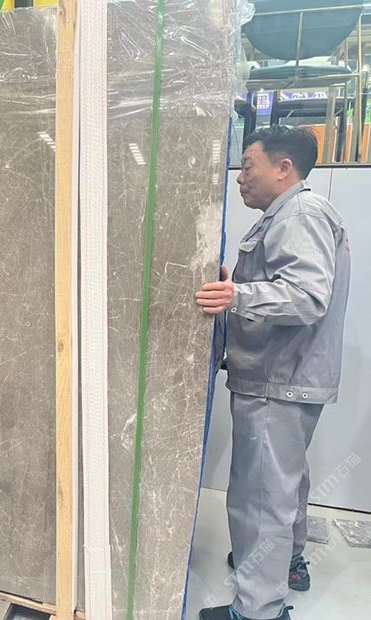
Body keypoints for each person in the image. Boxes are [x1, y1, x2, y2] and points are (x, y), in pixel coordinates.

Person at [195, 126, 350, 620]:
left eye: (248, 166)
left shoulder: (300, 214)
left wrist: (237, 295)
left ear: (284, 168)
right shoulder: (293, 214)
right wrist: (239, 285)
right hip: (289, 378)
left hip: (276, 381)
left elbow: (306, 296)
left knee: (261, 498)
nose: (240, 178)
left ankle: (258, 609)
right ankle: (288, 565)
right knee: (284, 484)